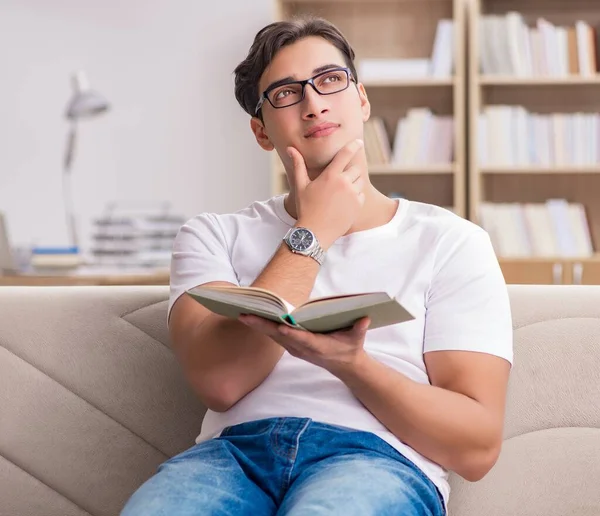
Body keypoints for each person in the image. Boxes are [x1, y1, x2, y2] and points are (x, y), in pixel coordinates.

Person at [121, 15, 513, 516]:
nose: (314, 103)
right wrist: (316, 232)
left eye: (330, 80)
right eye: (286, 93)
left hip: (374, 459)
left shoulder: (452, 242)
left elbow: (475, 447)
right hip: (233, 457)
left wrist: (351, 364)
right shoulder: (212, 235)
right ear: (261, 132)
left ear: (362, 100)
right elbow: (220, 383)